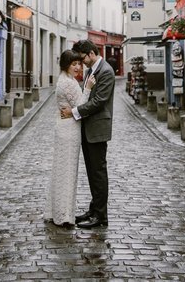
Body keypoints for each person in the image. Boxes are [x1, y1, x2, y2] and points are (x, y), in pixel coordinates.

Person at [60, 39, 115, 229]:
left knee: (98, 172)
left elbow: (99, 101)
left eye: (82, 58)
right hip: (87, 128)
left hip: (97, 129)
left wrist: (73, 112)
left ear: (91, 53)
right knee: (92, 173)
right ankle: (93, 210)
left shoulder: (105, 72)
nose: (81, 63)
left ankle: (101, 216)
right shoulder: (91, 71)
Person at [44, 50, 90, 228]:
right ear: (66, 65)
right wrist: (87, 88)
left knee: (61, 170)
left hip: (65, 127)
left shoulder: (65, 79)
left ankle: (56, 211)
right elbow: (81, 105)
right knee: (68, 171)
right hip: (69, 130)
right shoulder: (68, 83)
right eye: (74, 64)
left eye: (79, 63)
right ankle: (64, 215)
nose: (78, 67)